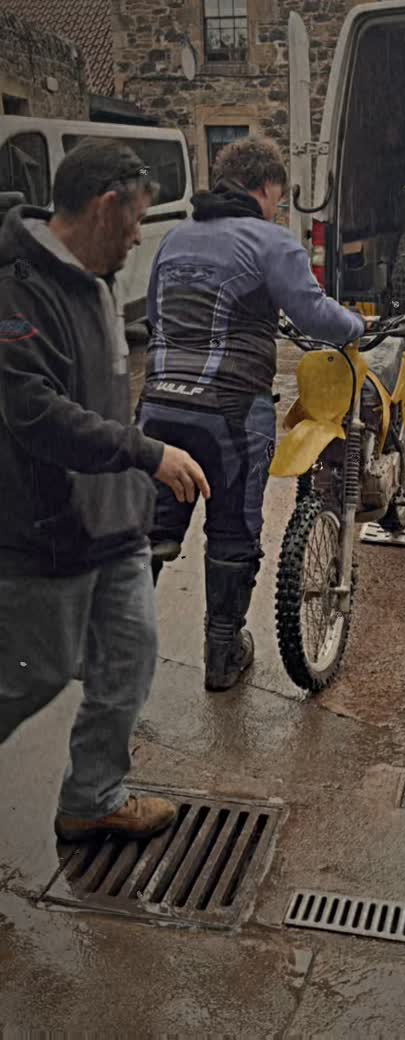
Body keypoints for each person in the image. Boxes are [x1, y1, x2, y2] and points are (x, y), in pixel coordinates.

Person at [0, 139, 210, 842]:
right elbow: (35, 413)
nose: (135, 240)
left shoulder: (97, 273)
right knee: (32, 675)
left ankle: (92, 797)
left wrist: (133, 481)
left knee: (129, 657)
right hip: (46, 527)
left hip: (115, 520)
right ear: (104, 206)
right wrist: (145, 453)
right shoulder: (16, 286)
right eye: (132, 224)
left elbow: (107, 392)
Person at [138, 136, 366, 692]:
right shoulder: (271, 241)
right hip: (230, 414)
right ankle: (223, 654)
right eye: (279, 197)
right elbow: (314, 317)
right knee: (233, 532)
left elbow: (151, 317)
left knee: (150, 533)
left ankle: (121, 648)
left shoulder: (173, 240)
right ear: (266, 188)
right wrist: (358, 327)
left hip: (157, 411)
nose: (278, 208)